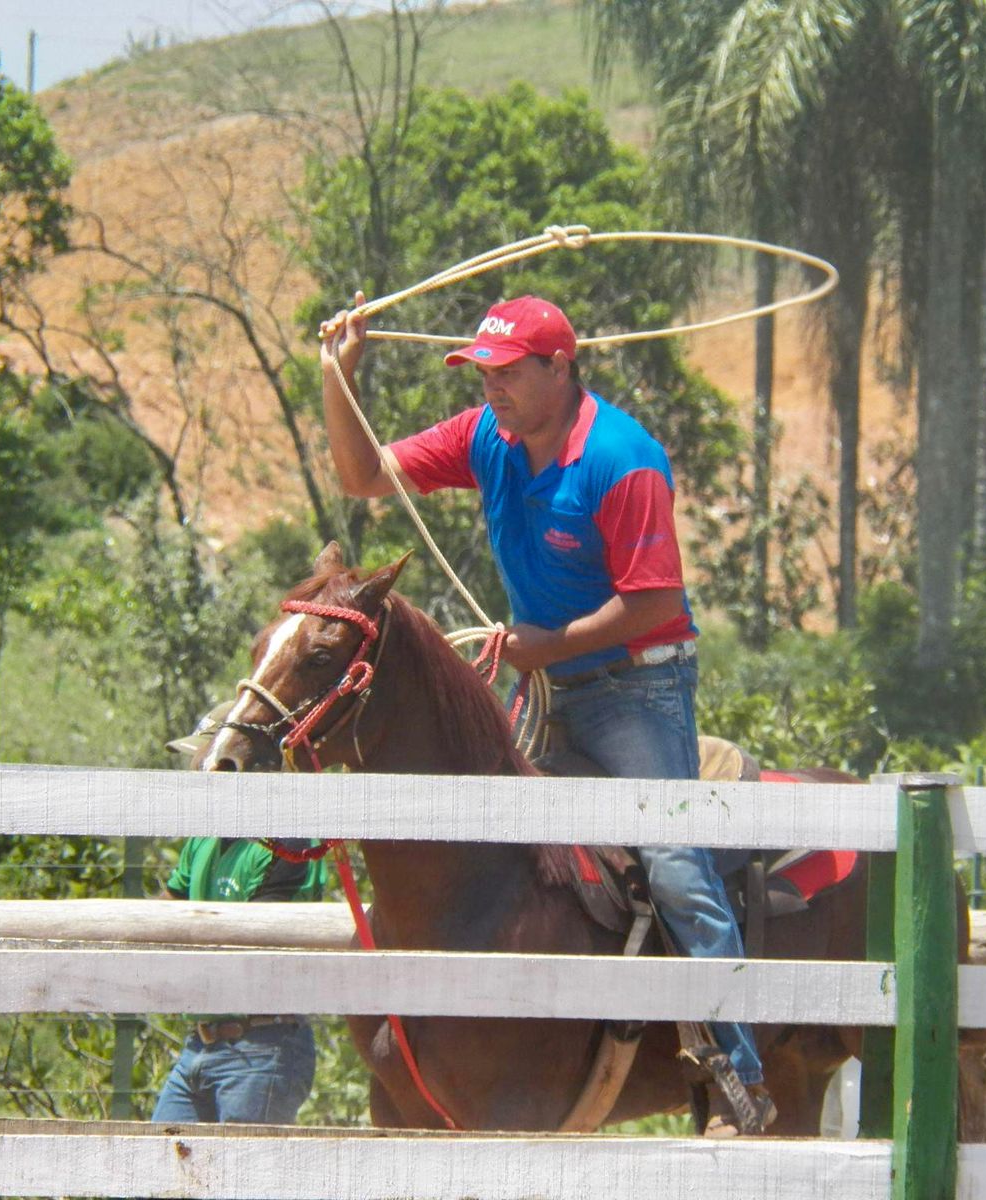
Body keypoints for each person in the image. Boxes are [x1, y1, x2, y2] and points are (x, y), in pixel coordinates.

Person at [317, 292, 775, 1137]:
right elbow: (362, 476)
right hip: (553, 684)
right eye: (481, 375)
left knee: (673, 861)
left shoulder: (622, 458)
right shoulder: (488, 437)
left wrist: (536, 645)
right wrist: (336, 383)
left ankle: (734, 1069)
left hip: (638, 689)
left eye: (506, 374)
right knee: (497, 846)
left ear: (559, 367)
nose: (491, 390)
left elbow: (652, 603)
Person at [150, 707, 328, 1129]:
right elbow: (166, 908)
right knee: (153, 1166)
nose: (198, 770)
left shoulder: (289, 842)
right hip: (203, 1043)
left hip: (262, 1046)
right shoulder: (204, 839)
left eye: (207, 759)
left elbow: (256, 941)